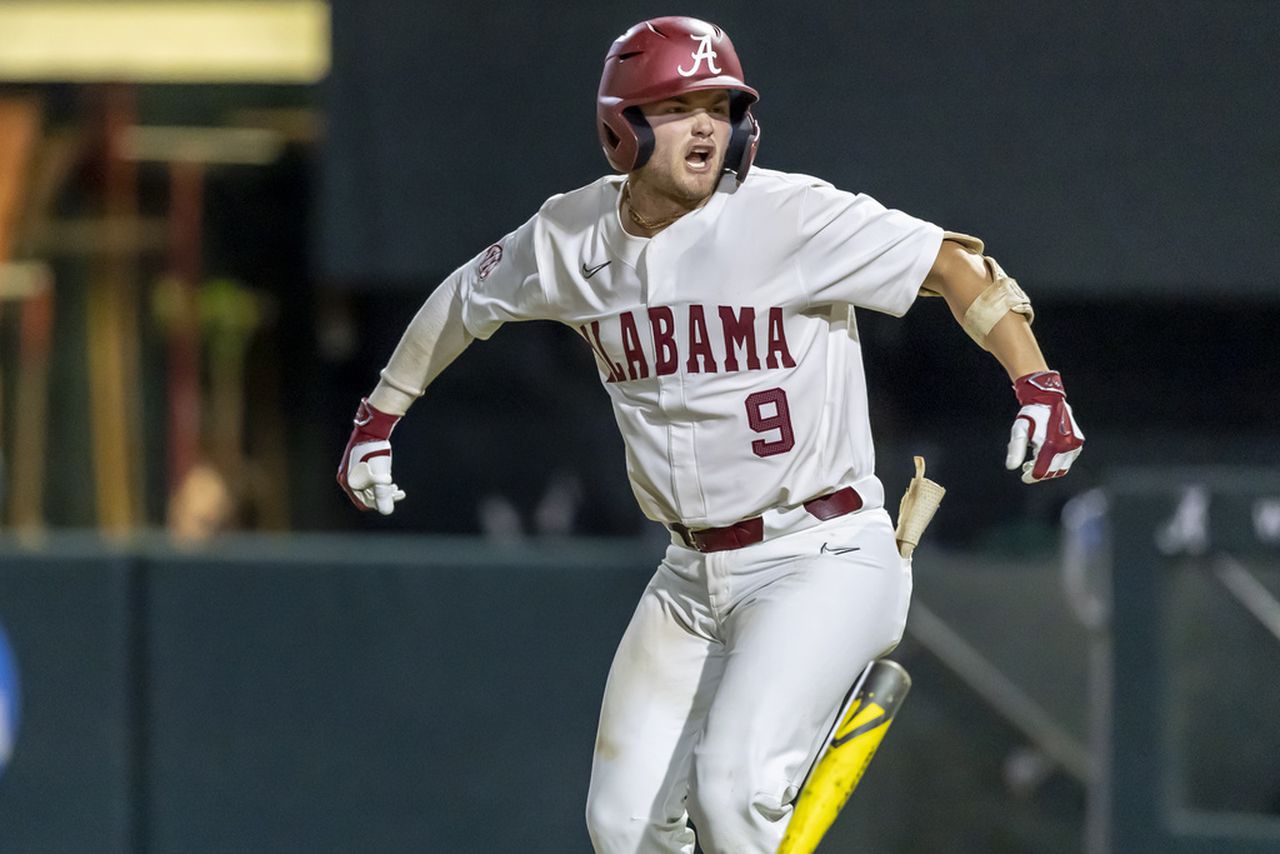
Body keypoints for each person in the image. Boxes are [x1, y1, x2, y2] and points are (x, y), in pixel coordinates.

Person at [337, 15, 1084, 853]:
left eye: (721, 107)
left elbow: (954, 264)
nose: (706, 127)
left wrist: (1038, 384)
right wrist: (380, 415)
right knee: (622, 829)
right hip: (689, 573)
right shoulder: (570, 235)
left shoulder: (787, 215)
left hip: (822, 553)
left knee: (733, 800)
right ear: (622, 126)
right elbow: (459, 305)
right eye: (680, 104)